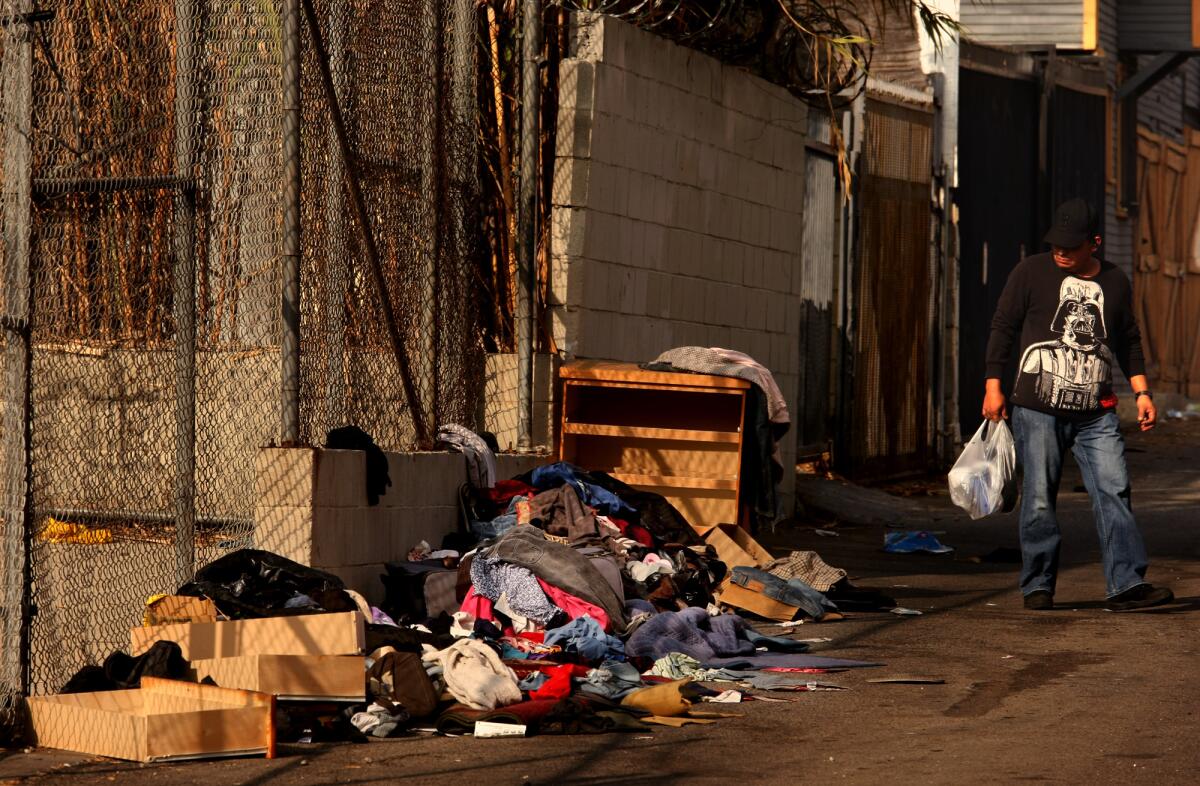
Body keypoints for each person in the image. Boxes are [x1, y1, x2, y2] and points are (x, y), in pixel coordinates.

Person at [983, 197, 1173, 612]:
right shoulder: (1029, 272)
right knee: (1037, 497)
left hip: (1097, 414)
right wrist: (993, 385)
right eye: (1056, 244)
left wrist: (1142, 393)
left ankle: (1125, 583)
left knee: (1114, 490)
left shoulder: (1116, 281)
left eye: (1071, 246)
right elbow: (1003, 327)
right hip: (1036, 410)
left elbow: (1128, 340)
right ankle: (1038, 583)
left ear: (1095, 243)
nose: (1061, 252)